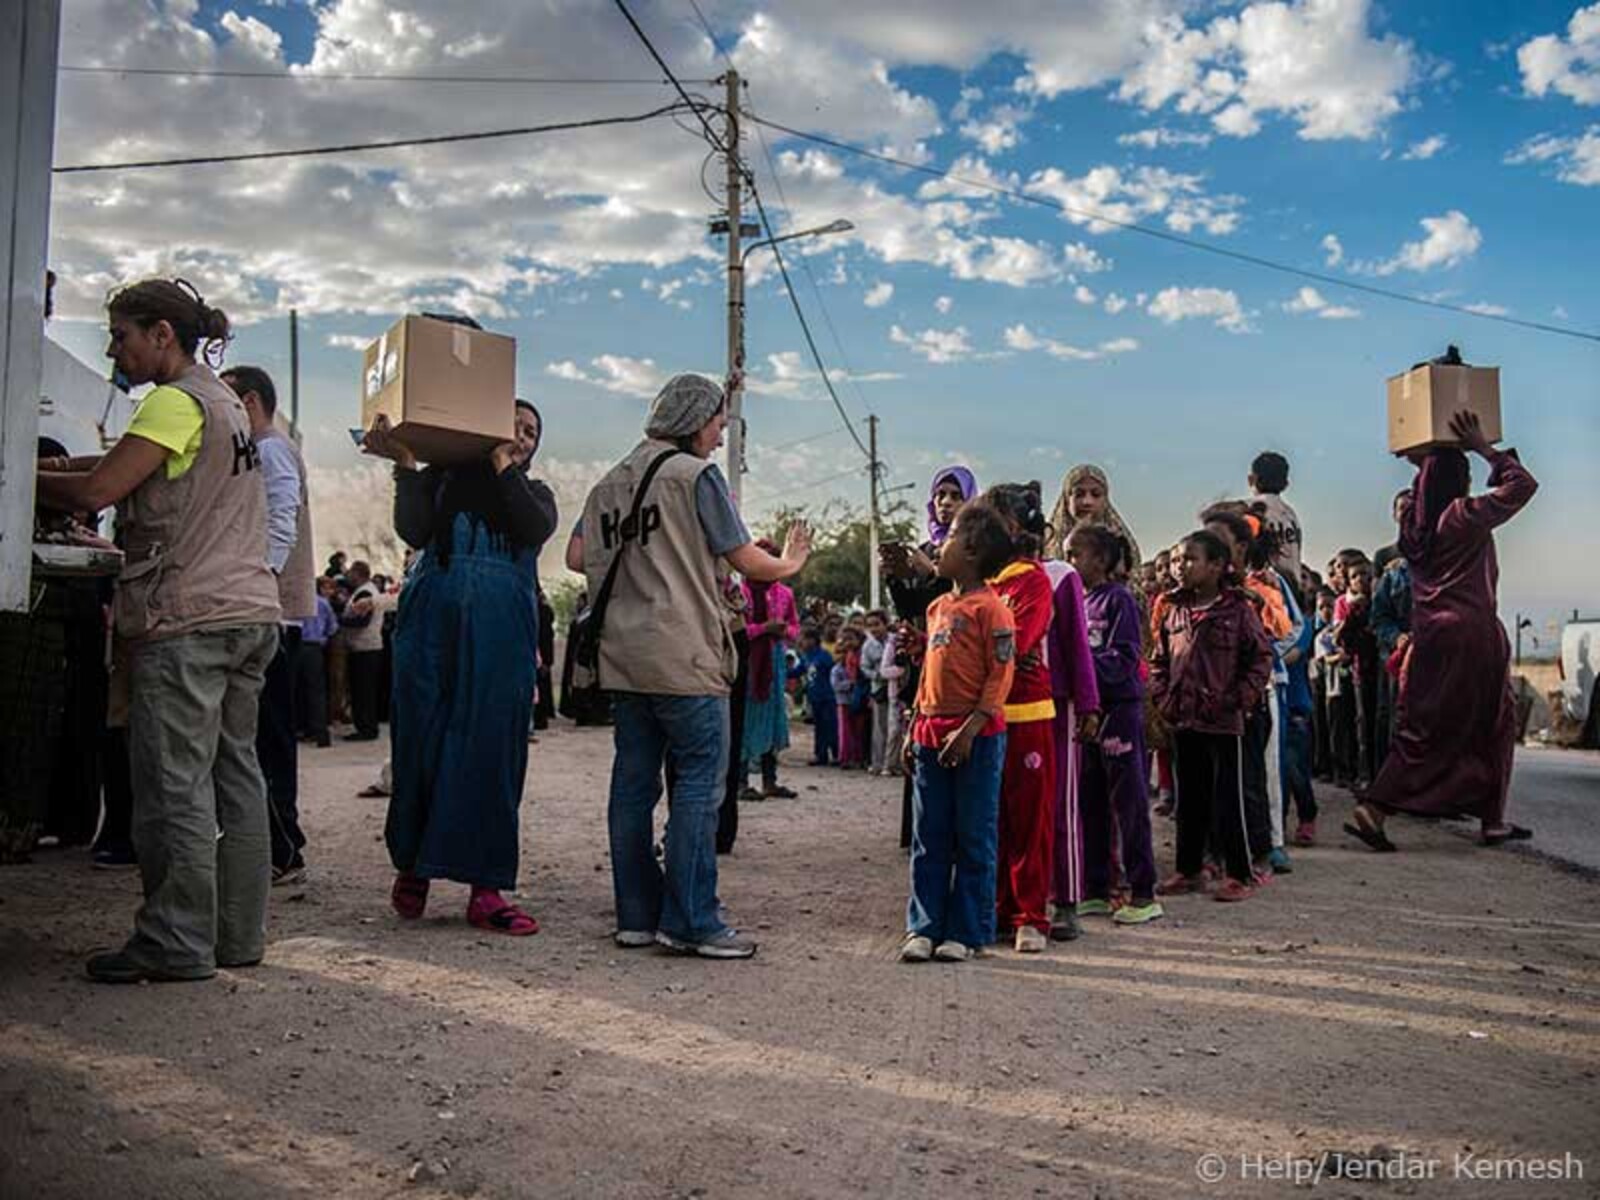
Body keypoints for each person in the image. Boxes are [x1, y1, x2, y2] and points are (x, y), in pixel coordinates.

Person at [36, 277, 280, 983]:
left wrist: (23, 478)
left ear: (161, 335)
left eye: (122, 335)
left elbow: (97, 491)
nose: (116, 349)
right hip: (246, 612)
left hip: (188, 616)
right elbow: (125, 465)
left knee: (174, 785)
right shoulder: (223, 401)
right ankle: (235, 936)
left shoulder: (173, 402)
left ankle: (175, 939)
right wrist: (62, 465)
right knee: (236, 777)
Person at [572, 373, 810, 959]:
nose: (720, 430)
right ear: (694, 419)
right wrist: (792, 561)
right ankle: (692, 919)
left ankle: (635, 916)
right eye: (717, 420)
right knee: (699, 786)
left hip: (624, 659)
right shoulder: (695, 475)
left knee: (632, 785)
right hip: (684, 654)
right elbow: (745, 557)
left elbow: (579, 556)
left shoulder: (608, 482)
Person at [362, 396, 557, 935]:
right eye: (512, 425)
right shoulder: (442, 480)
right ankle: (414, 868)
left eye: (531, 432)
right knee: (422, 737)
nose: (522, 436)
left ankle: (486, 889)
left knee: (492, 748)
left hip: (501, 631)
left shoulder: (536, 495)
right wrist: (406, 465)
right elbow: (414, 530)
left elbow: (530, 528)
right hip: (432, 623)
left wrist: (500, 463)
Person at [1348, 412, 1538, 851]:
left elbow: (1427, 484)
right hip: (1472, 632)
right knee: (1496, 722)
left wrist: (1425, 454)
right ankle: (1480, 818)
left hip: (1430, 634)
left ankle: (1384, 807)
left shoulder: (1413, 524)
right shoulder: (1461, 515)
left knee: (1426, 725)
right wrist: (1483, 448)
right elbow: (1523, 487)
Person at [900, 501, 1017, 963]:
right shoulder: (936, 608)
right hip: (931, 733)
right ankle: (923, 927)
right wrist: (913, 726)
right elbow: (929, 674)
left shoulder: (993, 610)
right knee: (930, 835)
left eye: (947, 538)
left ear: (970, 551)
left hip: (977, 737)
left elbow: (1000, 675)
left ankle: (968, 931)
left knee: (974, 835)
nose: (939, 546)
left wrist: (972, 727)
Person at [225, 365, 316, 887]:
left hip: (269, 613)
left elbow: (279, 519)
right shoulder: (263, 448)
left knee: (267, 741)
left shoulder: (271, 448)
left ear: (251, 400)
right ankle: (278, 846)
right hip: (267, 609)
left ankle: (281, 849)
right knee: (264, 738)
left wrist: (261, 580)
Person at [1151, 531, 1273, 903]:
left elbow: (1260, 658)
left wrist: (1240, 698)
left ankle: (1239, 872)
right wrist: (1163, 696)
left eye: (1189, 559)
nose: (1179, 567)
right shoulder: (1173, 610)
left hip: (1223, 721)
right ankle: (1189, 870)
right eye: (1176, 560)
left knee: (1228, 799)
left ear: (1217, 566)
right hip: (1184, 719)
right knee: (1189, 799)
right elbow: (1159, 661)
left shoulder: (1237, 610)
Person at [1067, 526, 1161, 925]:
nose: (1071, 563)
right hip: (1087, 716)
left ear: (1101, 560)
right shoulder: (1077, 602)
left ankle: (1143, 892)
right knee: (1090, 801)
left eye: (1077, 555)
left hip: (1119, 714)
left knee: (1130, 802)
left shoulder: (1118, 599)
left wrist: (1082, 672)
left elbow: (1124, 658)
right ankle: (1096, 888)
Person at [983, 482, 1058, 953]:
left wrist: (995, 649)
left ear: (1011, 527)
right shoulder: (983, 584)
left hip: (1027, 711)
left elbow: (1020, 642)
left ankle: (1031, 914)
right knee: (991, 817)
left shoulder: (1033, 580)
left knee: (1029, 817)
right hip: (985, 711)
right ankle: (997, 908)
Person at [1042, 523, 1099, 941]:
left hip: (1055, 702)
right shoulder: (989, 575)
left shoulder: (1060, 575)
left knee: (1062, 801)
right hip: (1003, 703)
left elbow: (1077, 644)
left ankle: (1067, 899)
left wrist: (1088, 703)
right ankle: (1017, 897)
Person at [740, 546, 801, 799]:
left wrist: (782, 630)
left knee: (775, 718)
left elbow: (795, 629)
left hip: (774, 662)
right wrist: (764, 628)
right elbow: (736, 631)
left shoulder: (784, 594)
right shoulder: (740, 593)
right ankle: (740, 782)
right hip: (749, 662)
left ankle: (769, 780)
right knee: (745, 719)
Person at [1047, 463, 1142, 576]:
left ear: (1105, 501)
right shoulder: (1047, 545)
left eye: (1096, 495)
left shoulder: (1122, 545)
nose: (1087, 502)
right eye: (1079, 494)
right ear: (1067, 500)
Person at [340, 561, 388, 741]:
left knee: (363, 691)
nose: (348, 575)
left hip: (365, 647)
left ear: (358, 573)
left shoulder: (365, 593)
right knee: (364, 690)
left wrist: (339, 621)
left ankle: (366, 729)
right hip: (367, 647)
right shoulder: (366, 591)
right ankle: (367, 726)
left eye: (351, 572)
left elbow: (362, 622)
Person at [1247, 451, 1303, 581]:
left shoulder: (1246, 509)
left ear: (1251, 479)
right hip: (1291, 590)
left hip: (1261, 588)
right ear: (1286, 484)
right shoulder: (1291, 515)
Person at [297, 577, 338, 748]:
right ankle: (321, 732)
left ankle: (304, 728)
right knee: (316, 691)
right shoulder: (323, 603)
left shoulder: (297, 602)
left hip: (298, 645)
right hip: (315, 647)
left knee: (298, 690)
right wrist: (323, 636)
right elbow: (333, 627)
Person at [795, 627, 838, 766]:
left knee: (830, 726)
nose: (802, 642)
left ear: (813, 640)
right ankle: (820, 755)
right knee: (819, 727)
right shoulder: (806, 657)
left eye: (805, 639)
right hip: (814, 698)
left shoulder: (824, 655)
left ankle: (837, 754)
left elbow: (832, 672)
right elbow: (798, 671)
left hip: (827, 697)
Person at [861, 610, 891, 773]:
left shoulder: (893, 641)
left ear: (885, 624)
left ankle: (893, 762)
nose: (874, 629)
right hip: (879, 689)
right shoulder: (868, 646)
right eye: (870, 625)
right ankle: (878, 763)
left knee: (895, 727)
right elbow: (864, 668)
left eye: (877, 624)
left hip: (896, 688)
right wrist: (878, 675)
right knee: (879, 728)